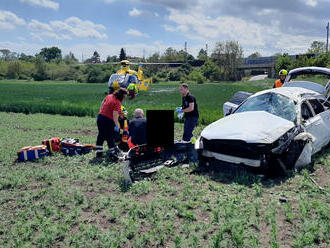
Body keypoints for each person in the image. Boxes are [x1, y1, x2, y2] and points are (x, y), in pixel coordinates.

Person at [95, 88, 128, 159]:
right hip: (107, 120)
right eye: (124, 97)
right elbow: (115, 116)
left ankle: (98, 153)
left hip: (100, 118)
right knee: (110, 136)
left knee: (101, 135)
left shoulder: (109, 96)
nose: (125, 98)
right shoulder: (117, 102)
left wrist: (100, 112)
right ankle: (113, 153)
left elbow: (102, 103)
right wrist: (117, 126)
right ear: (122, 95)